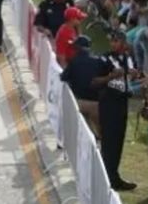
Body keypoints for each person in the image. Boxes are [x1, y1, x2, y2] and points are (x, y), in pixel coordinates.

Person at [98, 30, 138, 190]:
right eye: (112, 41)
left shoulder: (128, 58)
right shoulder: (105, 58)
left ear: (123, 42)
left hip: (122, 102)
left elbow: (132, 75)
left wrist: (133, 75)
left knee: (118, 141)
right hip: (109, 102)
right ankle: (107, 175)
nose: (113, 44)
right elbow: (99, 79)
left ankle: (113, 174)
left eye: (116, 41)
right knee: (109, 141)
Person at [60, 35, 102, 135]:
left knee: (82, 134)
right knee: (101, 136)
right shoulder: (98, 61)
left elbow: (63, 77)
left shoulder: (74, 61)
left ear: (78, 48)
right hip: (97, 105)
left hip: (79, 103)